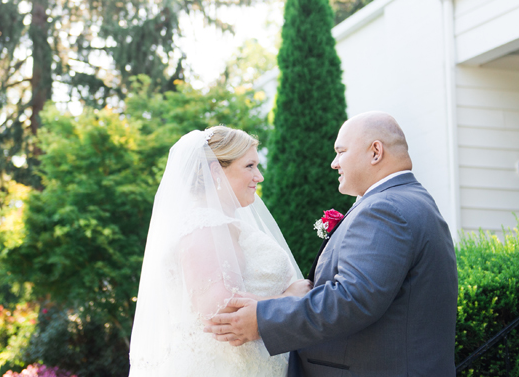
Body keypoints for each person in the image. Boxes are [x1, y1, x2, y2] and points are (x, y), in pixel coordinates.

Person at [205, 112, 458, 376]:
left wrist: (263, 318)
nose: (334, 163)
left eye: (341, 151)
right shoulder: (405, 200)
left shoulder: (386, 208)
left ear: (375, 152)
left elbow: (352, 299)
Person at [128, 126, 311, 377]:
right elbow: (222, 318)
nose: (259, 176)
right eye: (249, 166)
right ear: (216, 171)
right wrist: (290, 297)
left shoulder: (224, 225)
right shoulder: (203, 229)